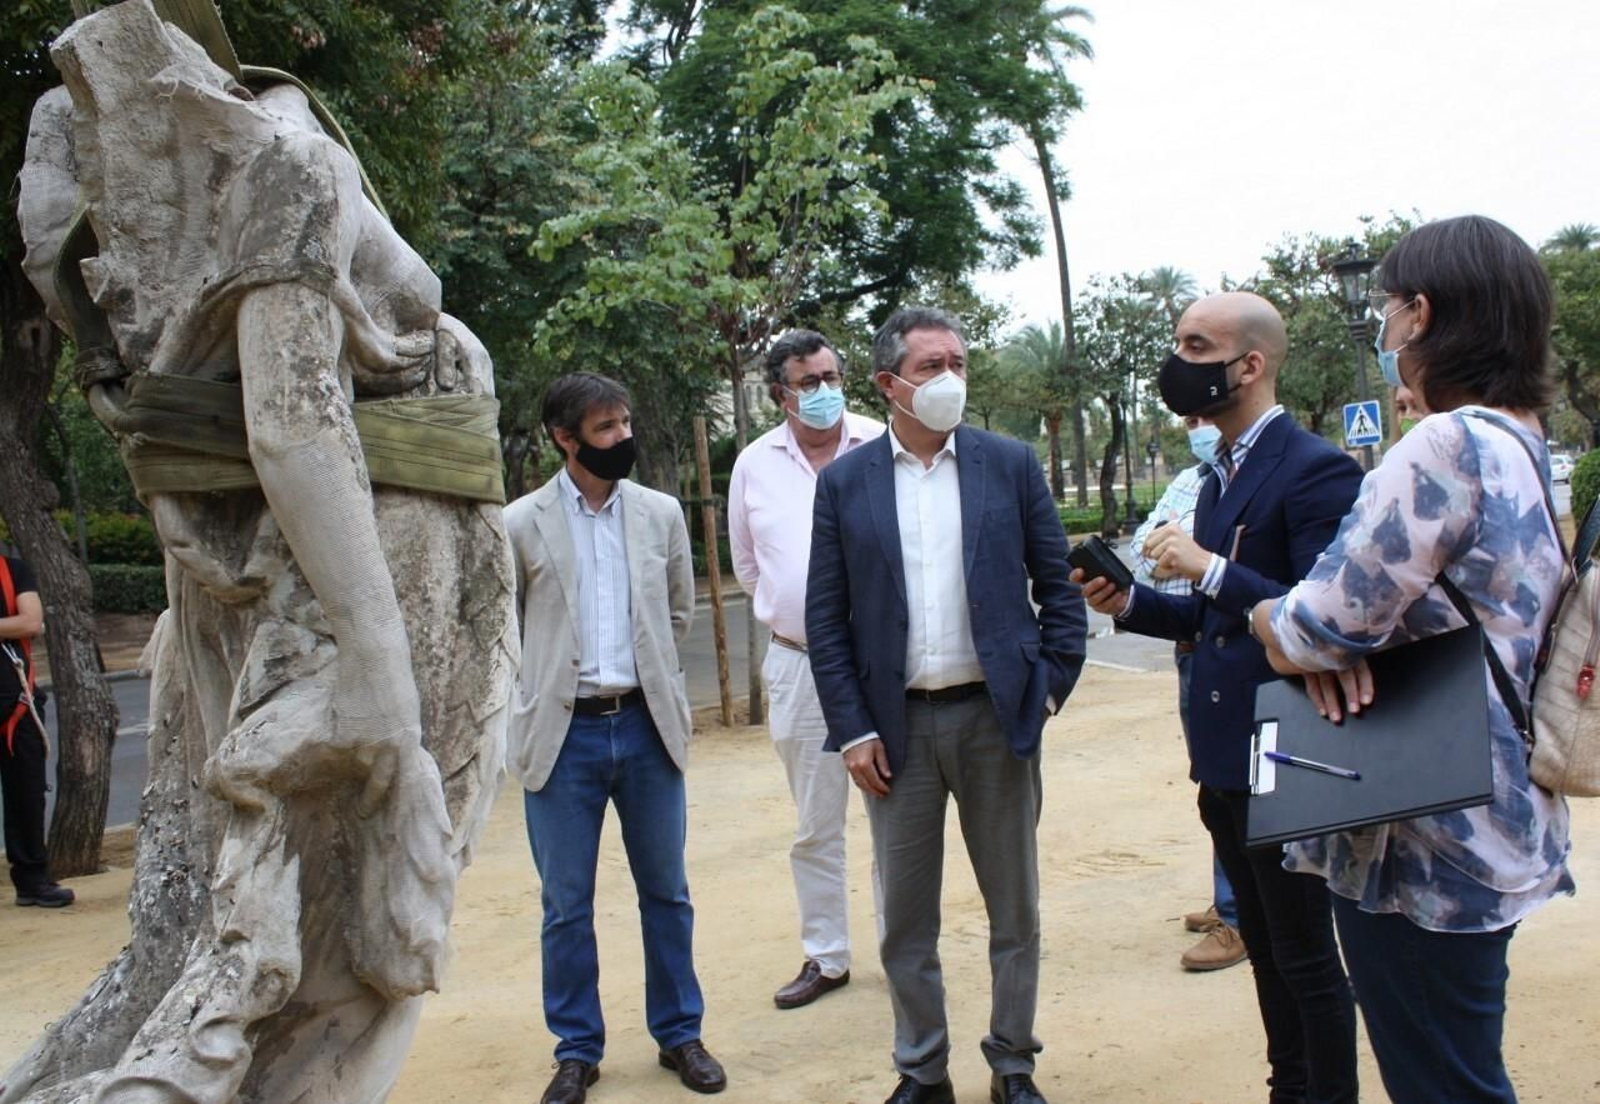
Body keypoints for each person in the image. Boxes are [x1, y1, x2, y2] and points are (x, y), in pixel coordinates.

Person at [1250, 215, 1574, 1104]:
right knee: (1460, 1064)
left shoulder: (1445, 445)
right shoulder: (1524, 441)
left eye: (1390, 310)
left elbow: (1319, 623)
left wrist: (1259, 612)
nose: (1387, 331)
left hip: (1426, 834)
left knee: (1441, 1082)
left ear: (1421, 314)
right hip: (1498, 812)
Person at [1077, 291, 1364, 1102]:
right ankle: (1291, 1087)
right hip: (1227, 756)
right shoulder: (1218, 477)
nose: (1180, 360)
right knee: (1269, 951)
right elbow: (1213, 620)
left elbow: (1316, 614)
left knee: (1307, 958)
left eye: (1196, 344)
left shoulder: (1316, 470)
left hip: (1293, 751)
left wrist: (1207, 566)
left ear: (1251, 364)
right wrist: (1129, 601)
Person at [806, 307, 1087, 1104]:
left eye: (958, 362)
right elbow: (827, 619)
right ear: (889, 384)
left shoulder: (1009, 464)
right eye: (931, 367)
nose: (949, 379)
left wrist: (1049, 687)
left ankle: (1013, 1064)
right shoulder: (845, 484)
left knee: (1015, 909)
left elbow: (1058, 589)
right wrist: (854, 729)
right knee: (905, 922)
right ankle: (923, 1071)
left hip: (997, 720)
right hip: (895, 732)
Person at [506, 373, 726, 1104]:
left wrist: (646, 677)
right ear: (564, 439)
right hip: (561, 735)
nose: (621, 438)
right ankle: (577, 1050)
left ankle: (680, 1034)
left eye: (625, 423)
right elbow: (504, 630)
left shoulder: (660, 514)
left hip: (645, 728)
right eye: (604, 429)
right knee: (565, 903)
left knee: (667, 891)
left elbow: (677, 613)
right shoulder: (520, 523)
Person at [727, 329, 884, 1010]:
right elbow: (748, 562)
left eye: (831, 377)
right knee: (815, 823)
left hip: (882, 666)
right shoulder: (753, 465)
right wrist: (793, 610)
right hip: (799, 665)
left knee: (894, 817)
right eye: (808, 382)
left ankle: (905, 949)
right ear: (779, 394)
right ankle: (827, 956)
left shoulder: (884, 443)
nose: (824, 392)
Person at [1128, 417, 1242, 972]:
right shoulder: (1190, 480)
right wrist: (1171, 546)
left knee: (1232, 784)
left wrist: (1184, 546)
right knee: (1212, 780)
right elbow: (1141, 547)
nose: (1198, 427)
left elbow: (1211, 560)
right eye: (1190, 421)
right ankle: (1232, 897)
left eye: (1204, 418)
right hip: (1188, 647)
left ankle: (1239, 916)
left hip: (1229, 648)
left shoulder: (1252, 479)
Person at [1, 553, 73, 909]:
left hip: (17, 705)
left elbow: (30, 621)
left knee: (27, 796)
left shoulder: (13, 569)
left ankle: (32, 881)